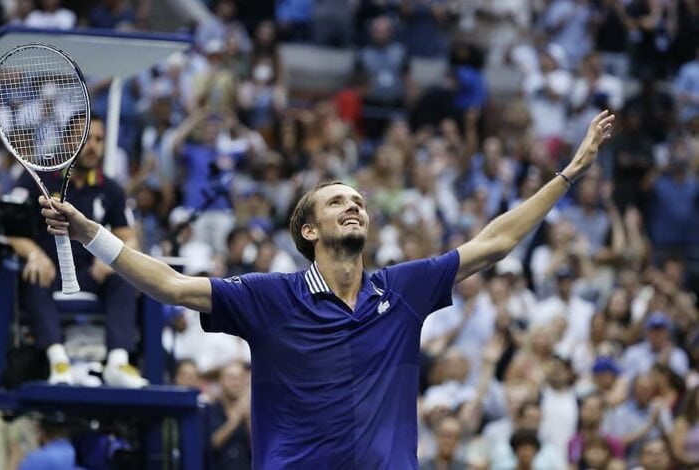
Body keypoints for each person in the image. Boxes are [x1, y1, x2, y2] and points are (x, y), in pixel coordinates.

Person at [38, 112, 615, 468]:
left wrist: (568, 174)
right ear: (309, 231)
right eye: (338, 200)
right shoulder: (269, 297)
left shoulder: (402, 289)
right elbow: (170, 285)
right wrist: (93, 234)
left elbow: (494, 243)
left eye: (358, 199)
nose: (354, 203)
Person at [9, 115, 145, 388]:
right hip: (49, 272)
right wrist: (34, 254)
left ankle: (118, 362)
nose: (93, 146)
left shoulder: (111, 188)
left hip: (89, 274)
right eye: (86, 139)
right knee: (33, 275)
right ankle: (58, 360)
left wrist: (113, 258)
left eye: (98, 140)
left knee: (124, 275)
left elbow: (130, 238)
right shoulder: (40, 178)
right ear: (68, 141)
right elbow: (9, 230)